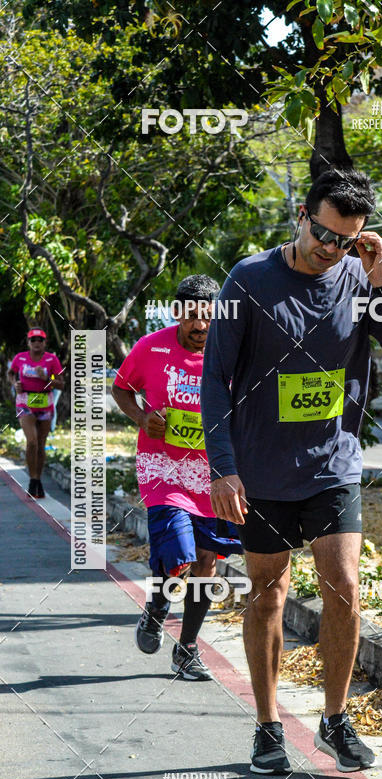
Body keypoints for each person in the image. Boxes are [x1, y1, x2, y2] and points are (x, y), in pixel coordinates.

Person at [201, 168, 382, 774]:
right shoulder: (248, 280)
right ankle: (268, 727)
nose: (333, 250)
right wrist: (223, 468)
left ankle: (334, 719)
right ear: (302, 215)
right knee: (268, 595)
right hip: (260, 471)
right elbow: (214, 381)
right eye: (325, 235)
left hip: (333, 463)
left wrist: (381, 279)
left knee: (345, 588)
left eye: (347, 240)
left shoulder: (360, 277)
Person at [112, 275, 243, 681]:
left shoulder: (231, 352)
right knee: (179, 556)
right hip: (163, 471)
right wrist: (142, 417)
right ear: (177, 313)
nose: (200, 326)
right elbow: (122, 389)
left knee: (207, 562)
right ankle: (157, 607)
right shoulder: (149, 347)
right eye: (191, 317)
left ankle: (186, 648)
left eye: (207, 316)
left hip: (213, 474)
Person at [9, 328, 64, 499]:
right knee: (31, 441)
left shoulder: (51, 359)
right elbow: (11, 373)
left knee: (40, 444)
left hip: (45, 404)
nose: (37, 343)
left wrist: (47, 379)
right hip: (25, 403)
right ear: (28, 343)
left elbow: (61, 384)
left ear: (45, 343)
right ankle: (32, 479)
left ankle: (37, 479)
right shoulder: (20, 358)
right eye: (33, 340)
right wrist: (15, 384)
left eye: (40, 340)